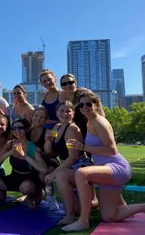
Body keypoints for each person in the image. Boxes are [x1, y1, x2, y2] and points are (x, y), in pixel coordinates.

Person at [62, 92, 145, 232]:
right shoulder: (90, 122)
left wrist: (82, 146)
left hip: (117, 168)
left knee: (81, 174)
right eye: (81, 105)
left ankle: (83, 220)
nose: (84, 107)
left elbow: (112, 150)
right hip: (106, 170)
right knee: (110, 216)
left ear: (95, 104)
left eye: (88, 103)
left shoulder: (99, 122)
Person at [44, 100, 92, 225]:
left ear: (73, 113)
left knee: (59, 176)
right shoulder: (56, 127)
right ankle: (89, 202)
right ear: (56, 112)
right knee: (78, 208)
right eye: (61, 111)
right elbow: (50, 152)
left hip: (79, 164)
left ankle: (70, 216)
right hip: (67, 165)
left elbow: (73, 158)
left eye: (68, 111)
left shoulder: (72, 129)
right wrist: (48, 141)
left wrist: (54, 173)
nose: (65, 114)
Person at [28, 106, 59, 210]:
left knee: (44, 175)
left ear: (45, 120)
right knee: (35, 201)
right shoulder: (26, 132)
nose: (38, 119)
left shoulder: (48, 133)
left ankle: (50, 197)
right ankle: (34, 194)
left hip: (48, 163)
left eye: (42, 117)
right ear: (32, 117)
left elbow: (52, 154)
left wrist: (42, 151)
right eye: (36, 116)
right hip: (34, 165)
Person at [59, 74, 105, 139]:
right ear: (61, 86)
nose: (68, 85)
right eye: (64, 84)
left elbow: (98, 104)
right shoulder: (63, 97)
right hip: (75, 131)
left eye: (70, 82)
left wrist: (102, 125)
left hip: (89, 129)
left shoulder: (84, 92)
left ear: (75, 82)